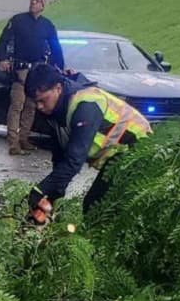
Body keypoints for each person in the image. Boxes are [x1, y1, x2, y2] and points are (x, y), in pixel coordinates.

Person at [22, 63, 151, 221]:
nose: (39, 107)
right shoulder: (56, 111)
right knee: (99, 207)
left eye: (43, 100)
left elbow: (74, 160)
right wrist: (50, 198)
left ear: (58, 88)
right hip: (119, 155)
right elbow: (60, 159)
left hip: (138, 150)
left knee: (96, 207)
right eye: (35, 102)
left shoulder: (86, 105)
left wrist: (39, 191)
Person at [0, 0, 64, 156]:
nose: (33, 3)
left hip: (37, 70)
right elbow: (3, 40)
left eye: (38, 1)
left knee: (31, 106)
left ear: (43, 6)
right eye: (32, 0)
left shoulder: (47, 25)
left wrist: (59, 67)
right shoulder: (18, 20)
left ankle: (23, 138)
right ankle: (13, 143)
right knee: (17, 104)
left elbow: (55, 47)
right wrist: (3, 59)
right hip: (21, 69)